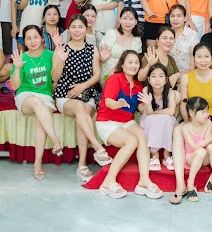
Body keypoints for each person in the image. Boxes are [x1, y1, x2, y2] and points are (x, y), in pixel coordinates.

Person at [171, 43, 212, 208]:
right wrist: (187, 121)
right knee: (178, 130)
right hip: (193, 118)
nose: (203, 60)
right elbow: (184, 102)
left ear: (211, 58)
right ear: (193, 58)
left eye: (206, 56)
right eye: (199, 56)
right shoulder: (187, 77)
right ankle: (180, 184)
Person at [53, 15, 113, 183]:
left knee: (83, 113)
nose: (77, 30)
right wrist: (60, 61)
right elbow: (55, 77)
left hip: (87, 93)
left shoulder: (92, 50)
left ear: (86, 29)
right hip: (66, 94)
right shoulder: (61, 49)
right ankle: (97, 148)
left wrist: (82, 86)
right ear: (68, 29)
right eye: (73, 27)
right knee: (80, 109)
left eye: (80, 27)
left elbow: (97, 75)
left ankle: (82, 164)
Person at [96, 50, 163, 200]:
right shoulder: (115, 79)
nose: (133, 65)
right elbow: (109, 103)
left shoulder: (138, 85)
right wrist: (118, 104)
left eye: (136, 62)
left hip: (127, 121)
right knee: (132, 141)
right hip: (107, 121)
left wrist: (147, 103)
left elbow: (139, 108)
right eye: (130, 62)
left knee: (142, 135)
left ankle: (144, 181)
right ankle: (108, 182)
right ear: (122, 64)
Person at [10, 25, 63, 180]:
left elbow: (56, 77)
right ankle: (55, 140)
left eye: (35, 37)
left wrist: (58, 53)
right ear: (25, 42)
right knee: (36, 102)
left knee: (41, 120)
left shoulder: (50, 55)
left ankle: (37, 162)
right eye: (28, 38)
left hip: (46, 96)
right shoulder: (22, 58)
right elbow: (14, 86)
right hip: (26, 96)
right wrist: (17, 68)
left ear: (42, 38)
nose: (32, 41)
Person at [181, 96, 212, 203]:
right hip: (191, 157)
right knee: (201, 151)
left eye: (207, 111)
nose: (207, 114)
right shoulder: (186, 128)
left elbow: (207, 143)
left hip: (204, 156)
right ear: (192, 114)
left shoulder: (208, 123)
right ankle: (190, 183)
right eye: (203, 112)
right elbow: (194, 147)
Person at [139, 63, 180, 171]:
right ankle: (154, 155)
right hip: (149, 120)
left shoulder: (170, 92)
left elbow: (171, 111)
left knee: (167, 119)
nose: (157, 80)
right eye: (153, 76)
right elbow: (149, 113)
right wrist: (148, 104)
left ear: (166, 79)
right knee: (152, 119)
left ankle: (167, 155)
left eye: (161, 76)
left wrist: (155, 113)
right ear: (148, 79)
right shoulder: (146, 90)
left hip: (165, 119)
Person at [99, 7, 143, 85]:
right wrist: (102, 59)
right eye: (124, 18)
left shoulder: (137, 40)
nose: (127, 22)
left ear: (136, 22)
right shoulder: (111, 33)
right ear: (120, 19)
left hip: (126, 74)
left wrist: (115, 69)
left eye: (131, 19)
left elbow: (134, 61)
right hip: (107, 73)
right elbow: (101, 57)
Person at [168, 4, 199, 72]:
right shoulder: (166, 33)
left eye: (179, 16)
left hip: (186, 73)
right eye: (172, 16)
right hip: (169, 73)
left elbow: (194, 55)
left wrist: (190, 71)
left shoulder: (192, 34)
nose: (175, 19)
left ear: (185, 18)